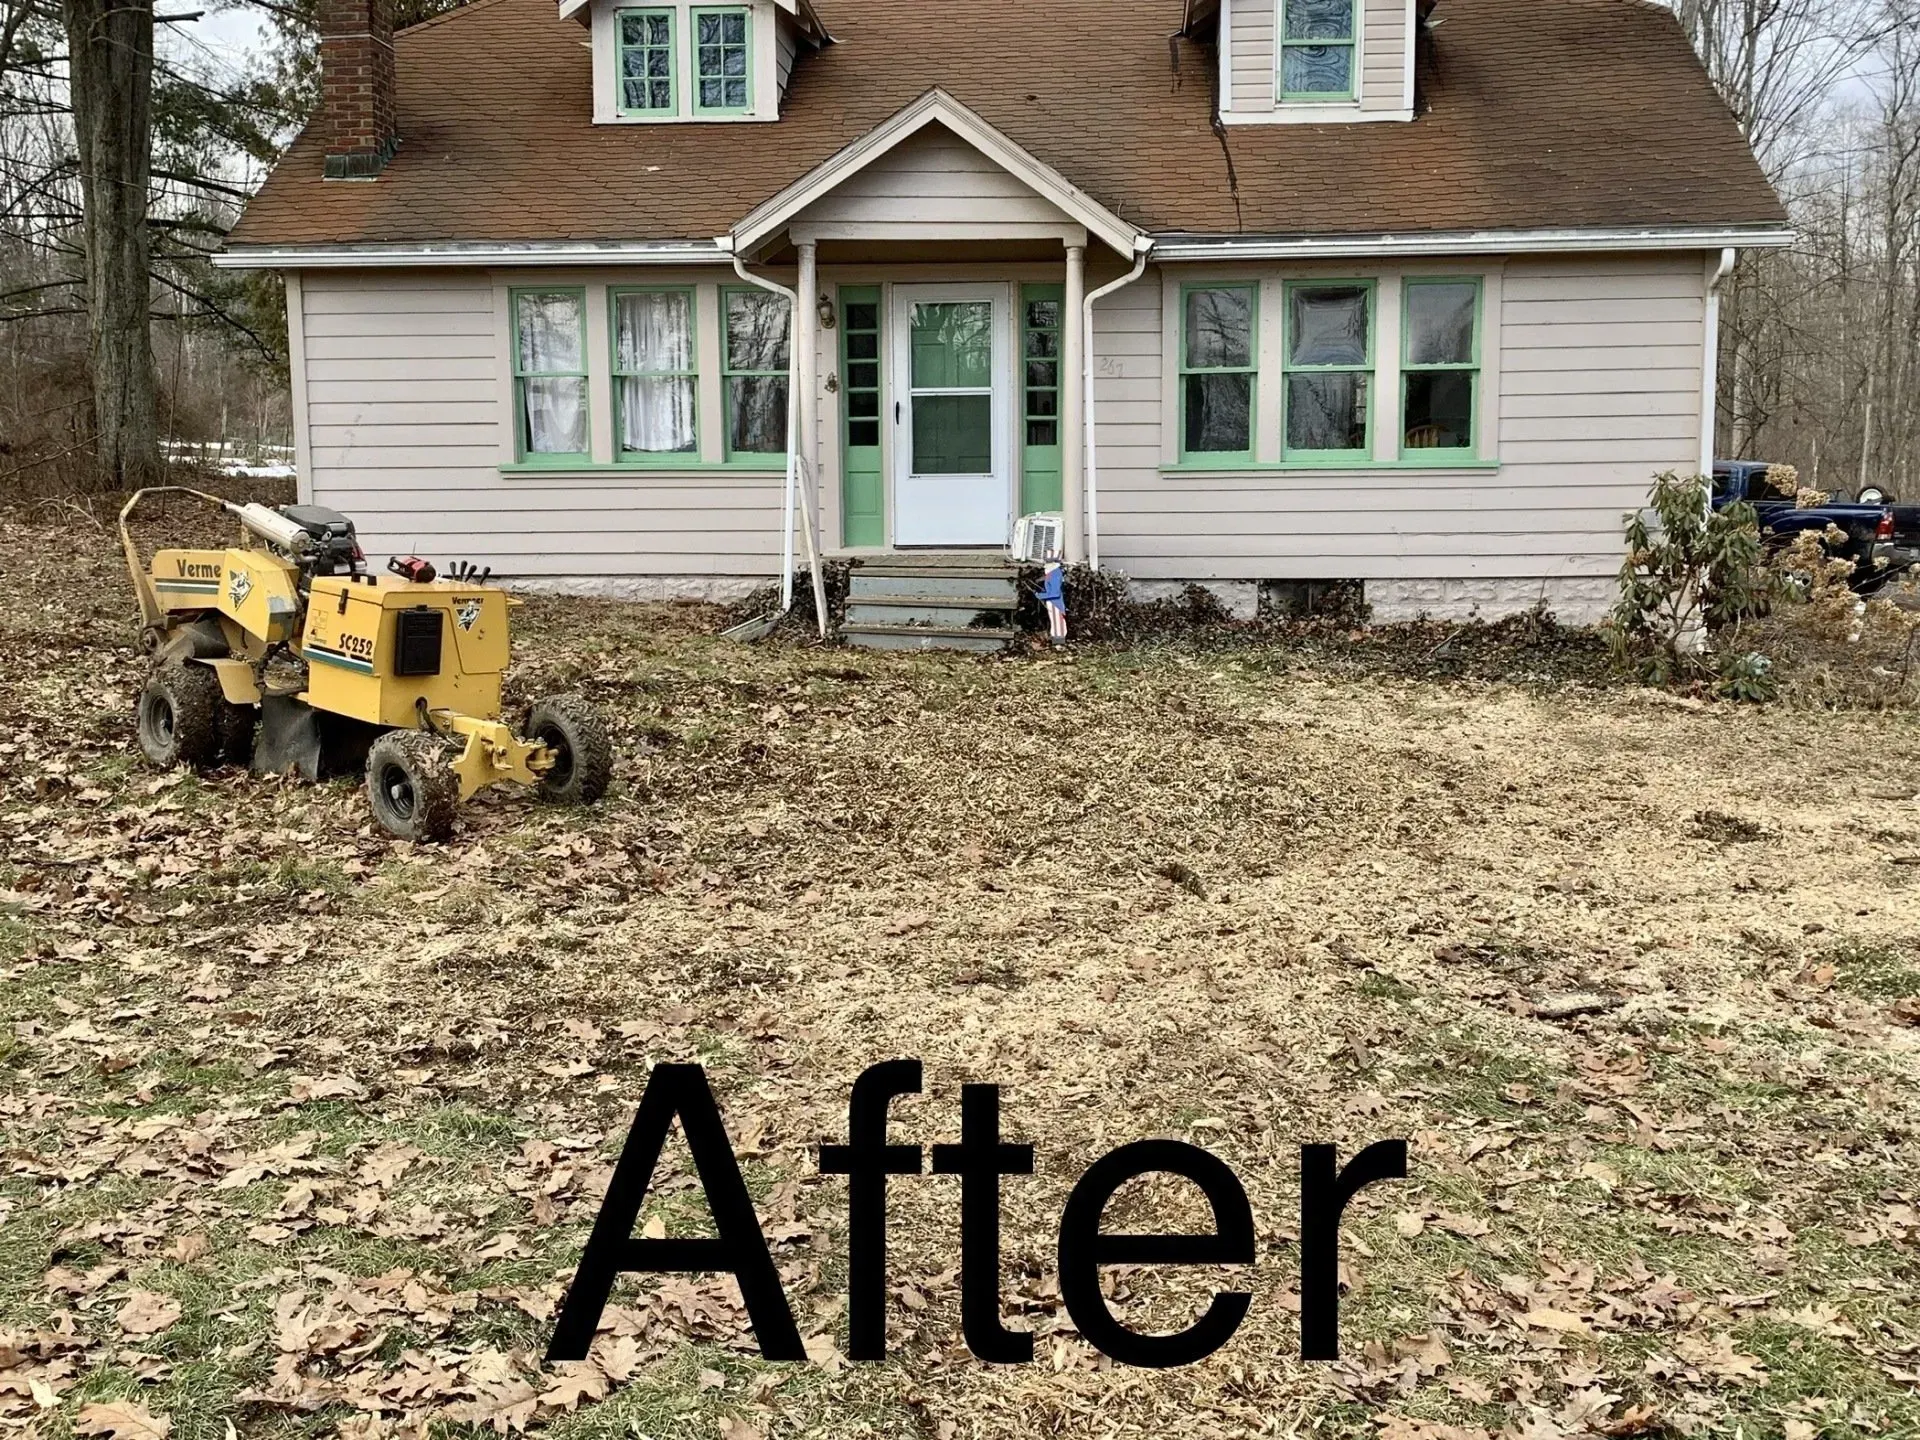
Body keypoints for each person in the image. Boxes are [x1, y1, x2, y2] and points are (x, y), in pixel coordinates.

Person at [1037, 550, 1067, 646]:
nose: (1045, 565)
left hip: (1055, 603)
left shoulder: (1055, 575)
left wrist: (1041, 595)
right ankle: (1056, 639)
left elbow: (1055, 593)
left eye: (1048, 562)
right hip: (1052, 602)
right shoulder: (1051, 573)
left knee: (1057, 621)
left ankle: (1059, 641)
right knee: (1054, 621)